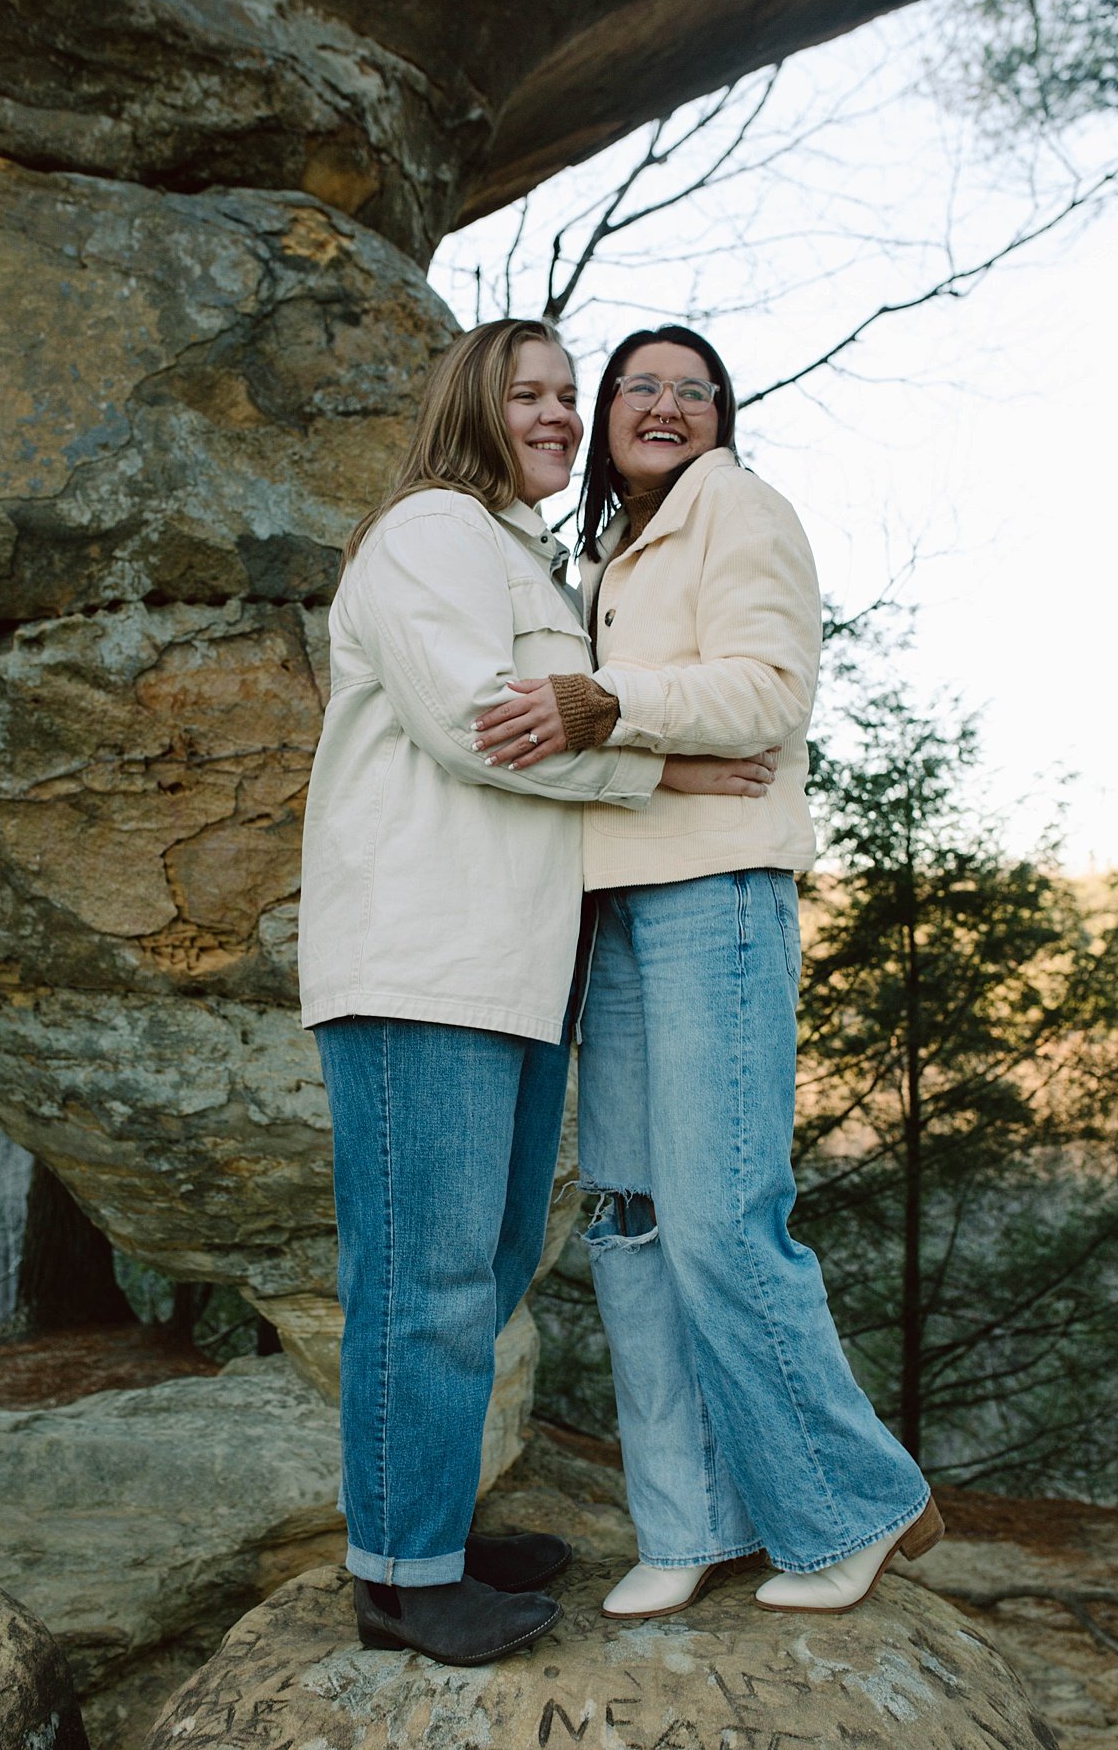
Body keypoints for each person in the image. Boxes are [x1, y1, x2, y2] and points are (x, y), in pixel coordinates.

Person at [299, 317, 769, 1665]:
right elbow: (487, 724)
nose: (564, 415)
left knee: (485, 1265)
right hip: (422, 961)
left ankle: (424, 1528)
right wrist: (666, 770)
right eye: (536, 394)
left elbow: (542, 708)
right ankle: (400, 1580)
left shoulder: (522, 556)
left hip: (507, 973)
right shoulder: (431, 535)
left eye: (575, 394)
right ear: (473, 403)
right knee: (423, 1275)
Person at [473, 324, 941, 1621]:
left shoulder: (741, 511)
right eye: (640, 386)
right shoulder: (606, 552)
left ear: (722, 416)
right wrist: (611, 727)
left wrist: (607, 703)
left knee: (724, 1215)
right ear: (608, 416)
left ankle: (859, 1506)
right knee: (632, 1226)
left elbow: (768, 693)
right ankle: (690, 1525)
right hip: (612, 904)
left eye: (693, 388)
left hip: (715, 899)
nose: (664, 402)